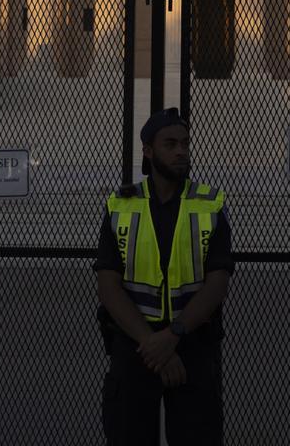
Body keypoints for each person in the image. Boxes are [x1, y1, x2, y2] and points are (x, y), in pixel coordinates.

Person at [94, 108, 234, 445]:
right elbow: (108, 286)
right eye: (170, 144)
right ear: (148, 150)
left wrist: (172, 336)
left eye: (185, 143)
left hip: (192, 345)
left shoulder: (210, 204)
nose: (181, 151)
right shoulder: (120, 205)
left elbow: (218, 283)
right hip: (136, 347)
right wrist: (154, 344)